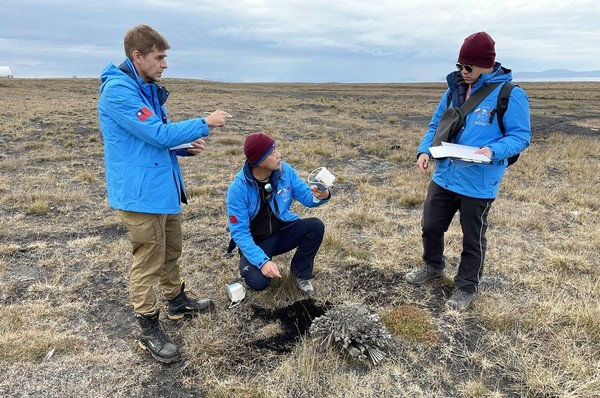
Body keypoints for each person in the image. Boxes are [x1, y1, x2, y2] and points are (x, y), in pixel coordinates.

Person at [98, 24, 230, 363]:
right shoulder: (118, 92)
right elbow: (156, 133)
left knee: (172, 249)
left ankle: (176, 303)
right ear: (137, 56)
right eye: (159, 57)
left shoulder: (148, 88)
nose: (165, 65)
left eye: (165, 57)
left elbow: (154, 140)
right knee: (148, 260)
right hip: (140, 195)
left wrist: (184, 147)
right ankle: (147, 329)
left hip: (162, 188)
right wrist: (205, 122)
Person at [405, 32, 531, 311]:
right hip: (445, 174)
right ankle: (433, 266)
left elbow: (521, 136)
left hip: (479, 183)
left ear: (487, 64)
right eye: (460, 66)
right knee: (430, 226)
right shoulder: (454, 89)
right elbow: (436, 123)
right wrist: (424, 150)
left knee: (472, 238)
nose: (463, 72)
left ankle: (465, 287)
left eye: (468, 67)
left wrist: (493, 150)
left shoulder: (510, 94)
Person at [226, 132, 331, 296]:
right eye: (271, 153)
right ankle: (257, 263)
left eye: (276, 149)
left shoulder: (284, 171)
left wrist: (322, 196)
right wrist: (262, 262)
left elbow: (307, 198)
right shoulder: (238, 188)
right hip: (257, 242)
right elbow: (239, 232)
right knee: (258, 282)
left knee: (315, 226)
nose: (279, 155)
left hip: (283, 232)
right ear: (259, 162)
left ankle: (300, 275)